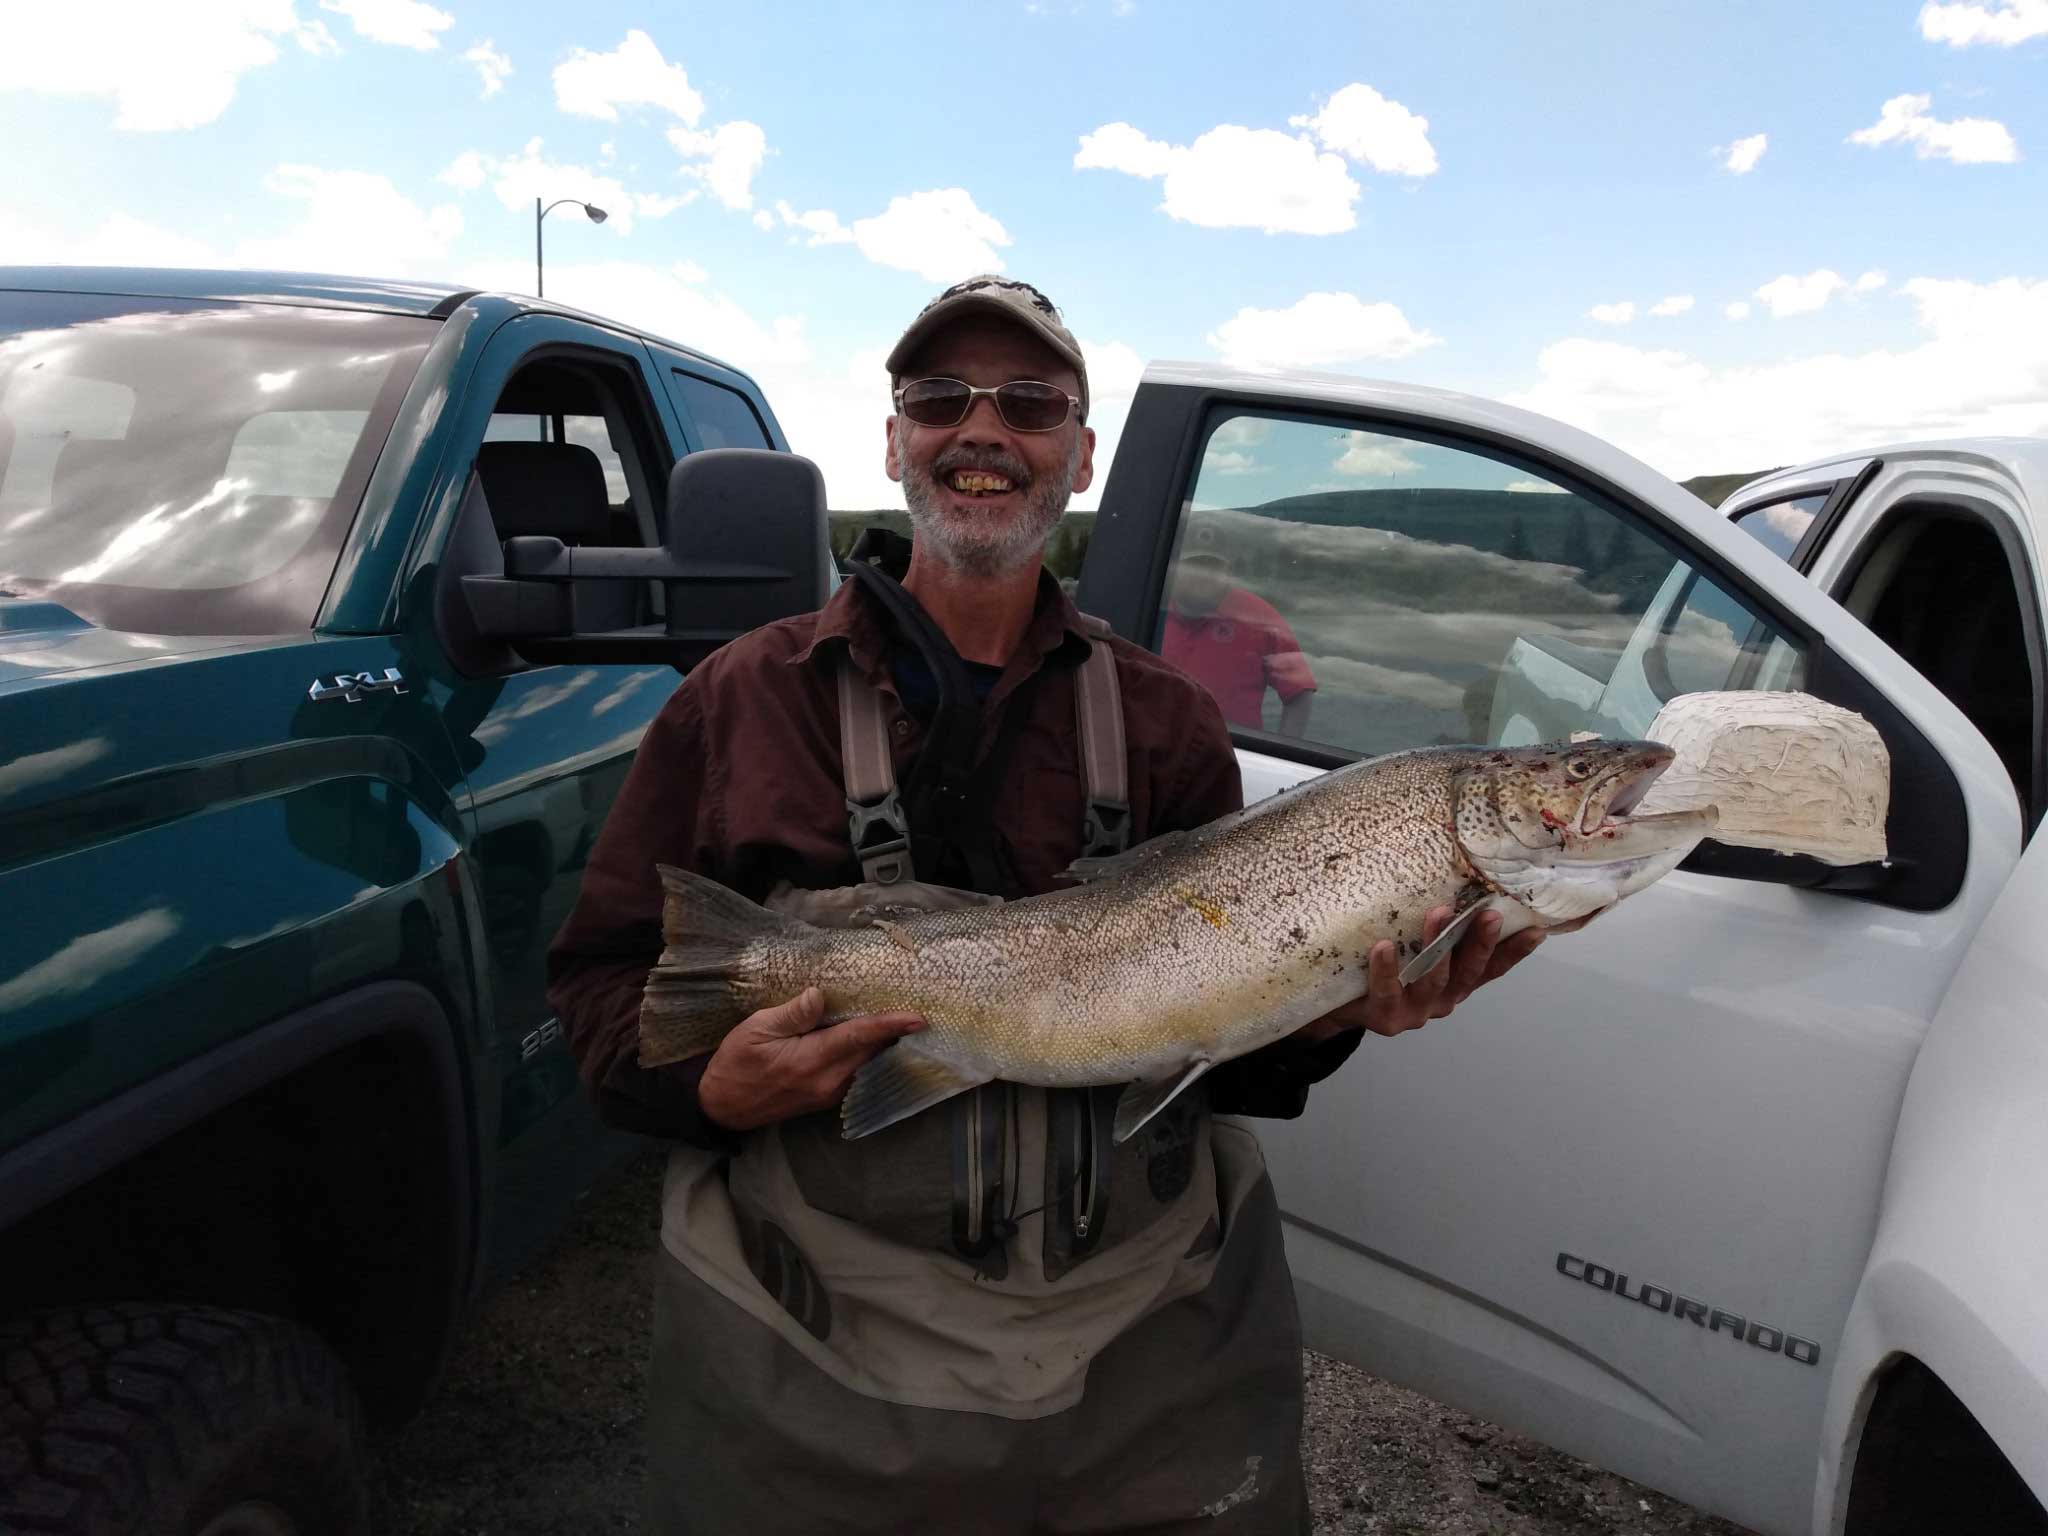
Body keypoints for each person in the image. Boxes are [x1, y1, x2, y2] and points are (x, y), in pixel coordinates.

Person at [545, 274, 1540, 1535]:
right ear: (893, 439)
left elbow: (1212, 1065)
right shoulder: (738, 700)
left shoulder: (1165, 718)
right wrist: (701, 1090)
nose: (980, 430)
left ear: (1077, 457)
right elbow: (595, 985)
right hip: (820, 1339)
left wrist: (1332, 1012)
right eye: (938, 397)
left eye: (1026, 403)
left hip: (1147, 1347)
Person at [1160, 529, 1318, 736]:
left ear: (1228, 573)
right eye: (1194, 566)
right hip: (1157, 750)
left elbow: (1299, 693)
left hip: (1235, 754)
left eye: (1214, 568)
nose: (1204, 576)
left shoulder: (1258, 617)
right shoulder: (1150, 612)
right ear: (1174, 570)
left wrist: (1281, 755)